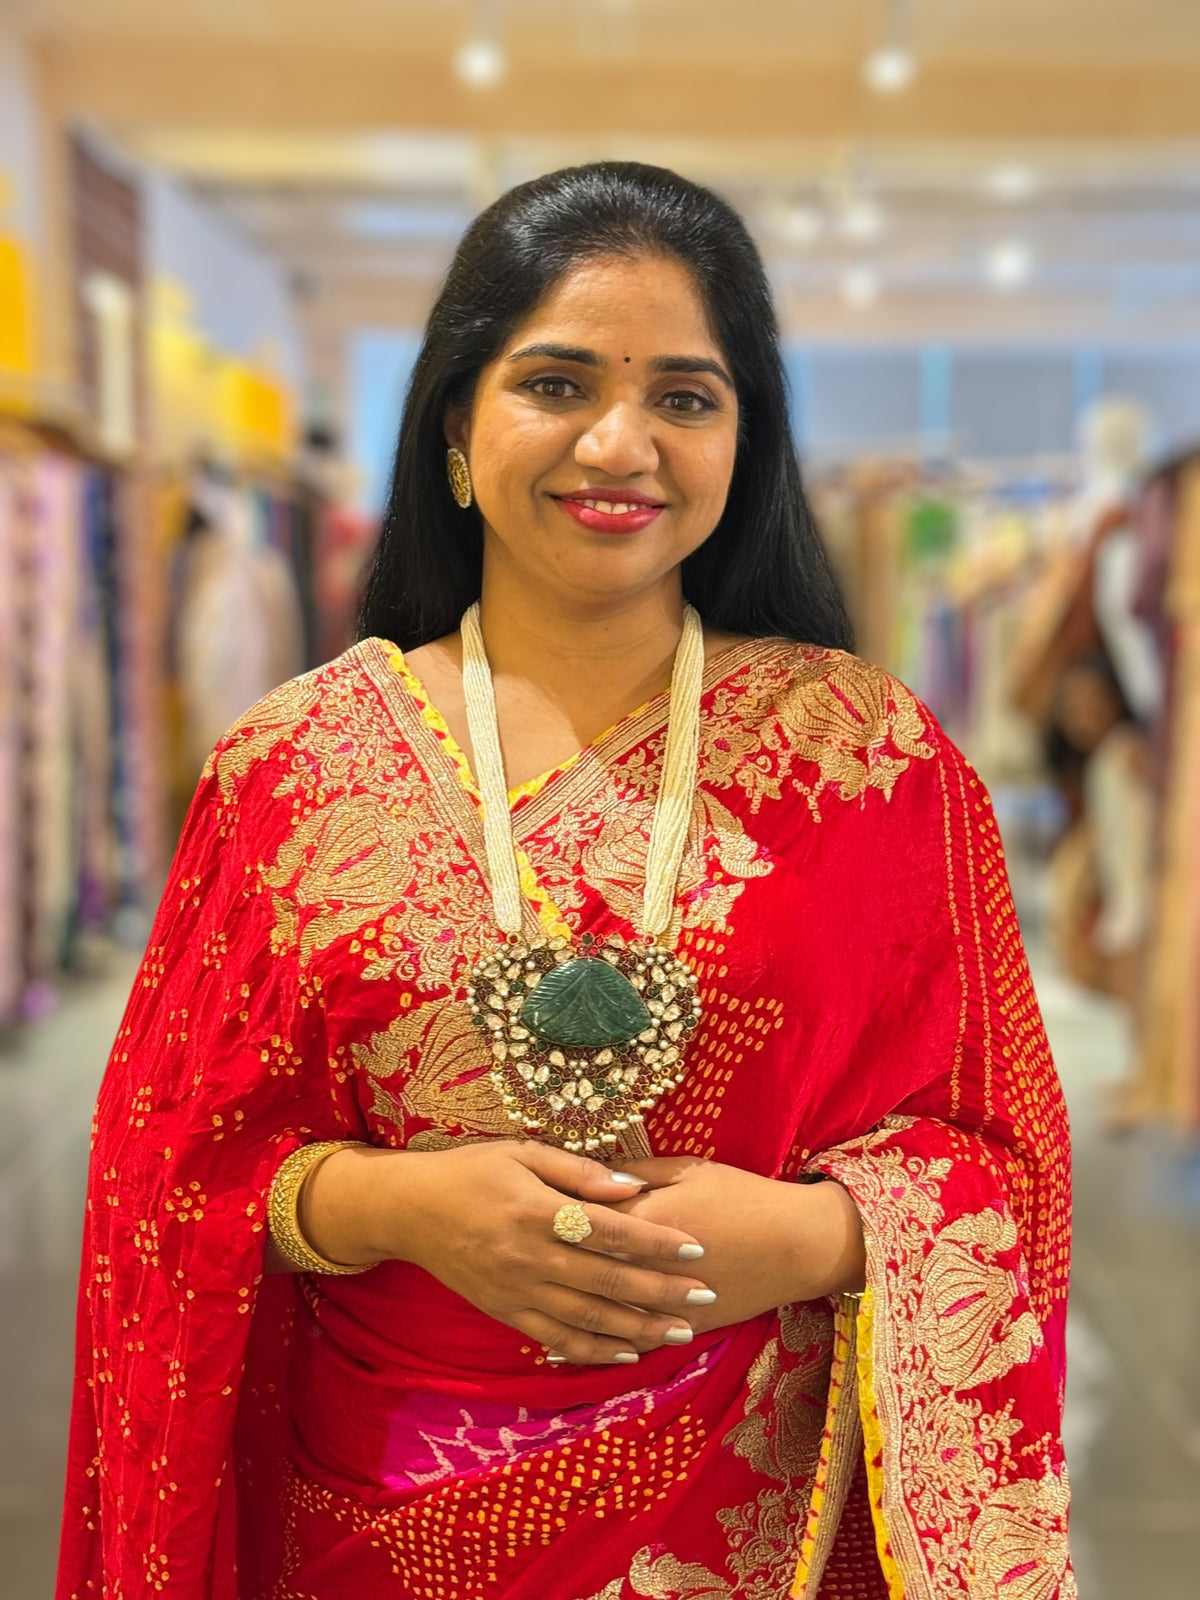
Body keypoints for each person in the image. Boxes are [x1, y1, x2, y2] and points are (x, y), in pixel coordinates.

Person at [57, 163, 1073, 1600]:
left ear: (743, 442)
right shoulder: (290, 771)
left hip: (760, 1522)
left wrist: (818, 1236)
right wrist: (399, 1210)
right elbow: (167, 1175)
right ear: (457, 427)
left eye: (685, 397)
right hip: (375, 1527)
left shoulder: (867, 760)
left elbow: (1006, 1155)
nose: (620, 443)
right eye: (556, 383)